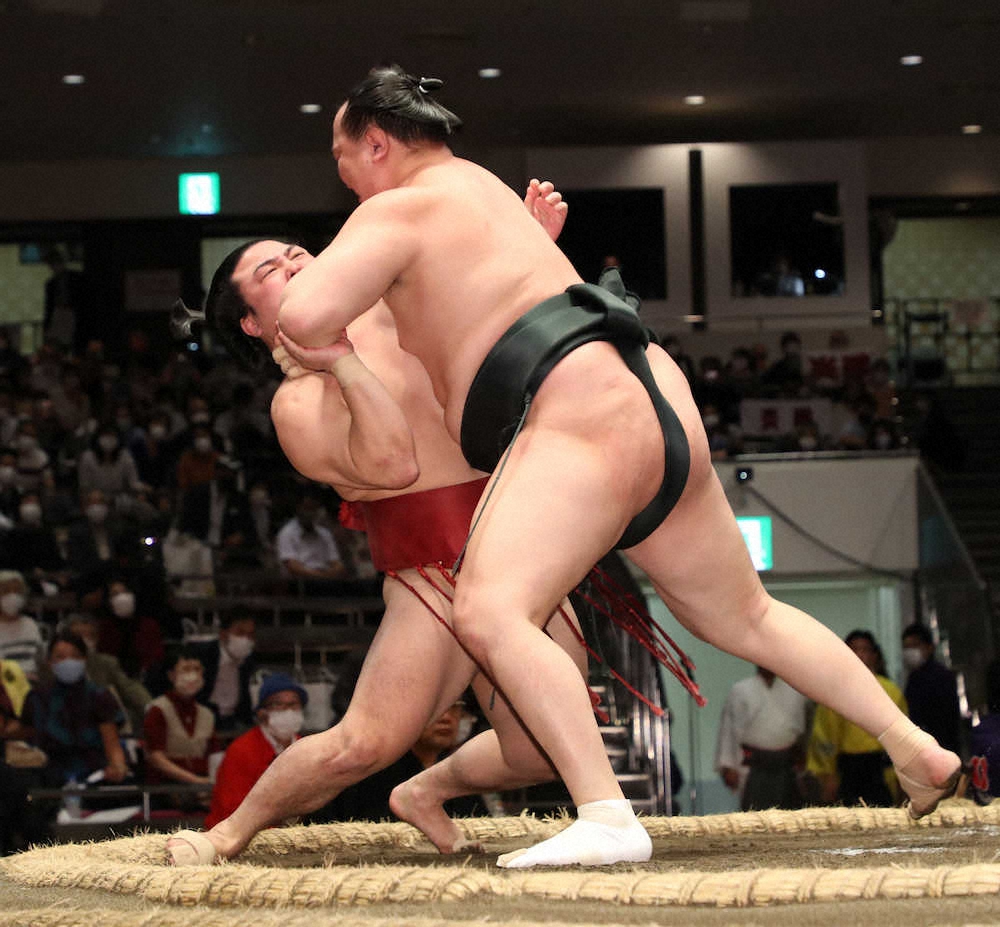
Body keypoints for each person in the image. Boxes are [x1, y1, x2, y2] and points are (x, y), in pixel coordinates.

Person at [272, 64, 961, 868]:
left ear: (378, 144)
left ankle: (604, 811)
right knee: (747, 616)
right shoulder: (487, 193)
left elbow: (305, 312)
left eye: (342, 153)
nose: (343, 173)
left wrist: (306, 331)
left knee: (490, 612)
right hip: (646, 389)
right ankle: (911, 744)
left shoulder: (395, 206)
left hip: (576, 407)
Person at [167, 179, 596, 867]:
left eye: (294, 252)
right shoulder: (298, 405)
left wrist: (531, 249)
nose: (294, 264)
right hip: (431, 566)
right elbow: (395, 466)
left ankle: (425, 790)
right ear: (252, 322)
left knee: (543, 744)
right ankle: (226, 832)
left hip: (512, 538)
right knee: (365, 741)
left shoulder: (395, 306)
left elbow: (490, 316)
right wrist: (339, 360)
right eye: (268, 272)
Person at [313, 698, 484, 824]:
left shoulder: (461, 773)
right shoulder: (364, 772)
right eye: (436, 706)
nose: (447, 717)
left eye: (455, 707)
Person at [806, 630, 907, 808]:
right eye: (854, 650)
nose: (860, 654)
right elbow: (825, 736)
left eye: (865, 650)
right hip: (847, 770)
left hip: (881, 768)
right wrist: (827, 774)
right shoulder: (833, 692)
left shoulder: (891, 691)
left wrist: (903, 775)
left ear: (875, 655)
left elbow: (903, 739)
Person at [21, 630, 129, 789]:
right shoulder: (36, 698)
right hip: (47, 779)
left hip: (94, 776)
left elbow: (112, 744)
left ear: (85, 660)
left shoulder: (99, 696)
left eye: (75, 656)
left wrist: (118, 767)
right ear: (50, 662)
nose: (68, 661)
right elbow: (26, 739)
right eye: (60, 657)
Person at [202, 673, 306, 829]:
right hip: (238, 835)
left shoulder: (305, 747)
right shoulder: (242, 750)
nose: (288, 711)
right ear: (262, 712)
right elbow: (231, 809)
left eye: (294, 704)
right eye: (279, 704)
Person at [715, 665, 809, 811]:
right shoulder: (741, 690)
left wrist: (803, 760)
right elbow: (729, 730)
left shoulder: (794, 690)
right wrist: (729, 767)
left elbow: (803, 731)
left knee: (790, 816)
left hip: (787, 763)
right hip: (754, 764)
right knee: (754, 815)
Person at [142, 645, 219, 806]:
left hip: (203, 785)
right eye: (185, 669)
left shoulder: (207, 714)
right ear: (171, 675)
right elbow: (156, 758)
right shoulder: (157, 709)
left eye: (196, 669)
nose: (192, 675)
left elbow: (215, 755)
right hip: (167, 787)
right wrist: (195, 781)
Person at [189, 612, 258, 731]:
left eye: (250, 634)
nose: (246, 639)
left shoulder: (249, 660)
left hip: (234, 720)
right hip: (200, 718)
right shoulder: (203, 655)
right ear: (223, 634)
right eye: (240, 633)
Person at [901, 623, 962, 756]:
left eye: (915, 646)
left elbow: (947, 720)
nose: (909, 652)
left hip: (940, 746)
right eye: (906, 647)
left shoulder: (941, 676)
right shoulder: (914, 677)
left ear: (929, 648)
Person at [274, 491, 347, 581]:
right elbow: (292, 566)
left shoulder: (324, 533)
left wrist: (328, 575)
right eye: (306, 508)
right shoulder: (287, 533)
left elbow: (337, 564)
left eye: (313, 509)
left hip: (326, 580)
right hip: (299, 584)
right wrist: (319, 576)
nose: (310, 513)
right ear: (298, 508)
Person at [0, 570, 45, 679]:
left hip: (32, 684)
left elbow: (40, 660)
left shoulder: (31, 624)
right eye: (6, 591)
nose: (12, 596)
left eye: (17, 591)